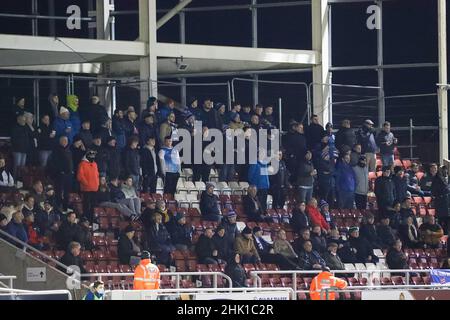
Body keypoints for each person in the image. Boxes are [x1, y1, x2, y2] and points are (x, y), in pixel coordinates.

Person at [47, 136, 74, 212]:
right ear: (60, 141)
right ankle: (58, 208)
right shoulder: (56, 151)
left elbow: (71, 162)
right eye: (63, 140)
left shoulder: (69, 150)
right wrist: (60, 171)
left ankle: (65, 208)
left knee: (67, 193)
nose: (65, 142)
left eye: (66, 140)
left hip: (68, 175)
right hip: (60, 175)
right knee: (59, 192)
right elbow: (54, 163)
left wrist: (72, 171)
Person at [77, 150, 99, 222]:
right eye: (91, 155)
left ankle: (92, 219)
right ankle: (86, 218)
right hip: (86, 189)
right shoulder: (82, 164)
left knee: (93, 205)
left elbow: (97, 175)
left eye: (93, 155)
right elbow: (80, 176)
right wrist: (86, 183)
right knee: (86, 205)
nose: (92, 157)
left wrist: (97, 183)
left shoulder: (95, 164)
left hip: (95, 188)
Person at [11, 114, 31, 179]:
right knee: (17, 166)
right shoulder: (15, 128)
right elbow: (14, 139)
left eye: (24, 120)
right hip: (17, 150)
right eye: (22, 120)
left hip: (24, 150)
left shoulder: (26, 127)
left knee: (22, 167)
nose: (24, 121)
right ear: (18, 120)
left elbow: (30, 135)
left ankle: (21, 180)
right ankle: (15, 180)